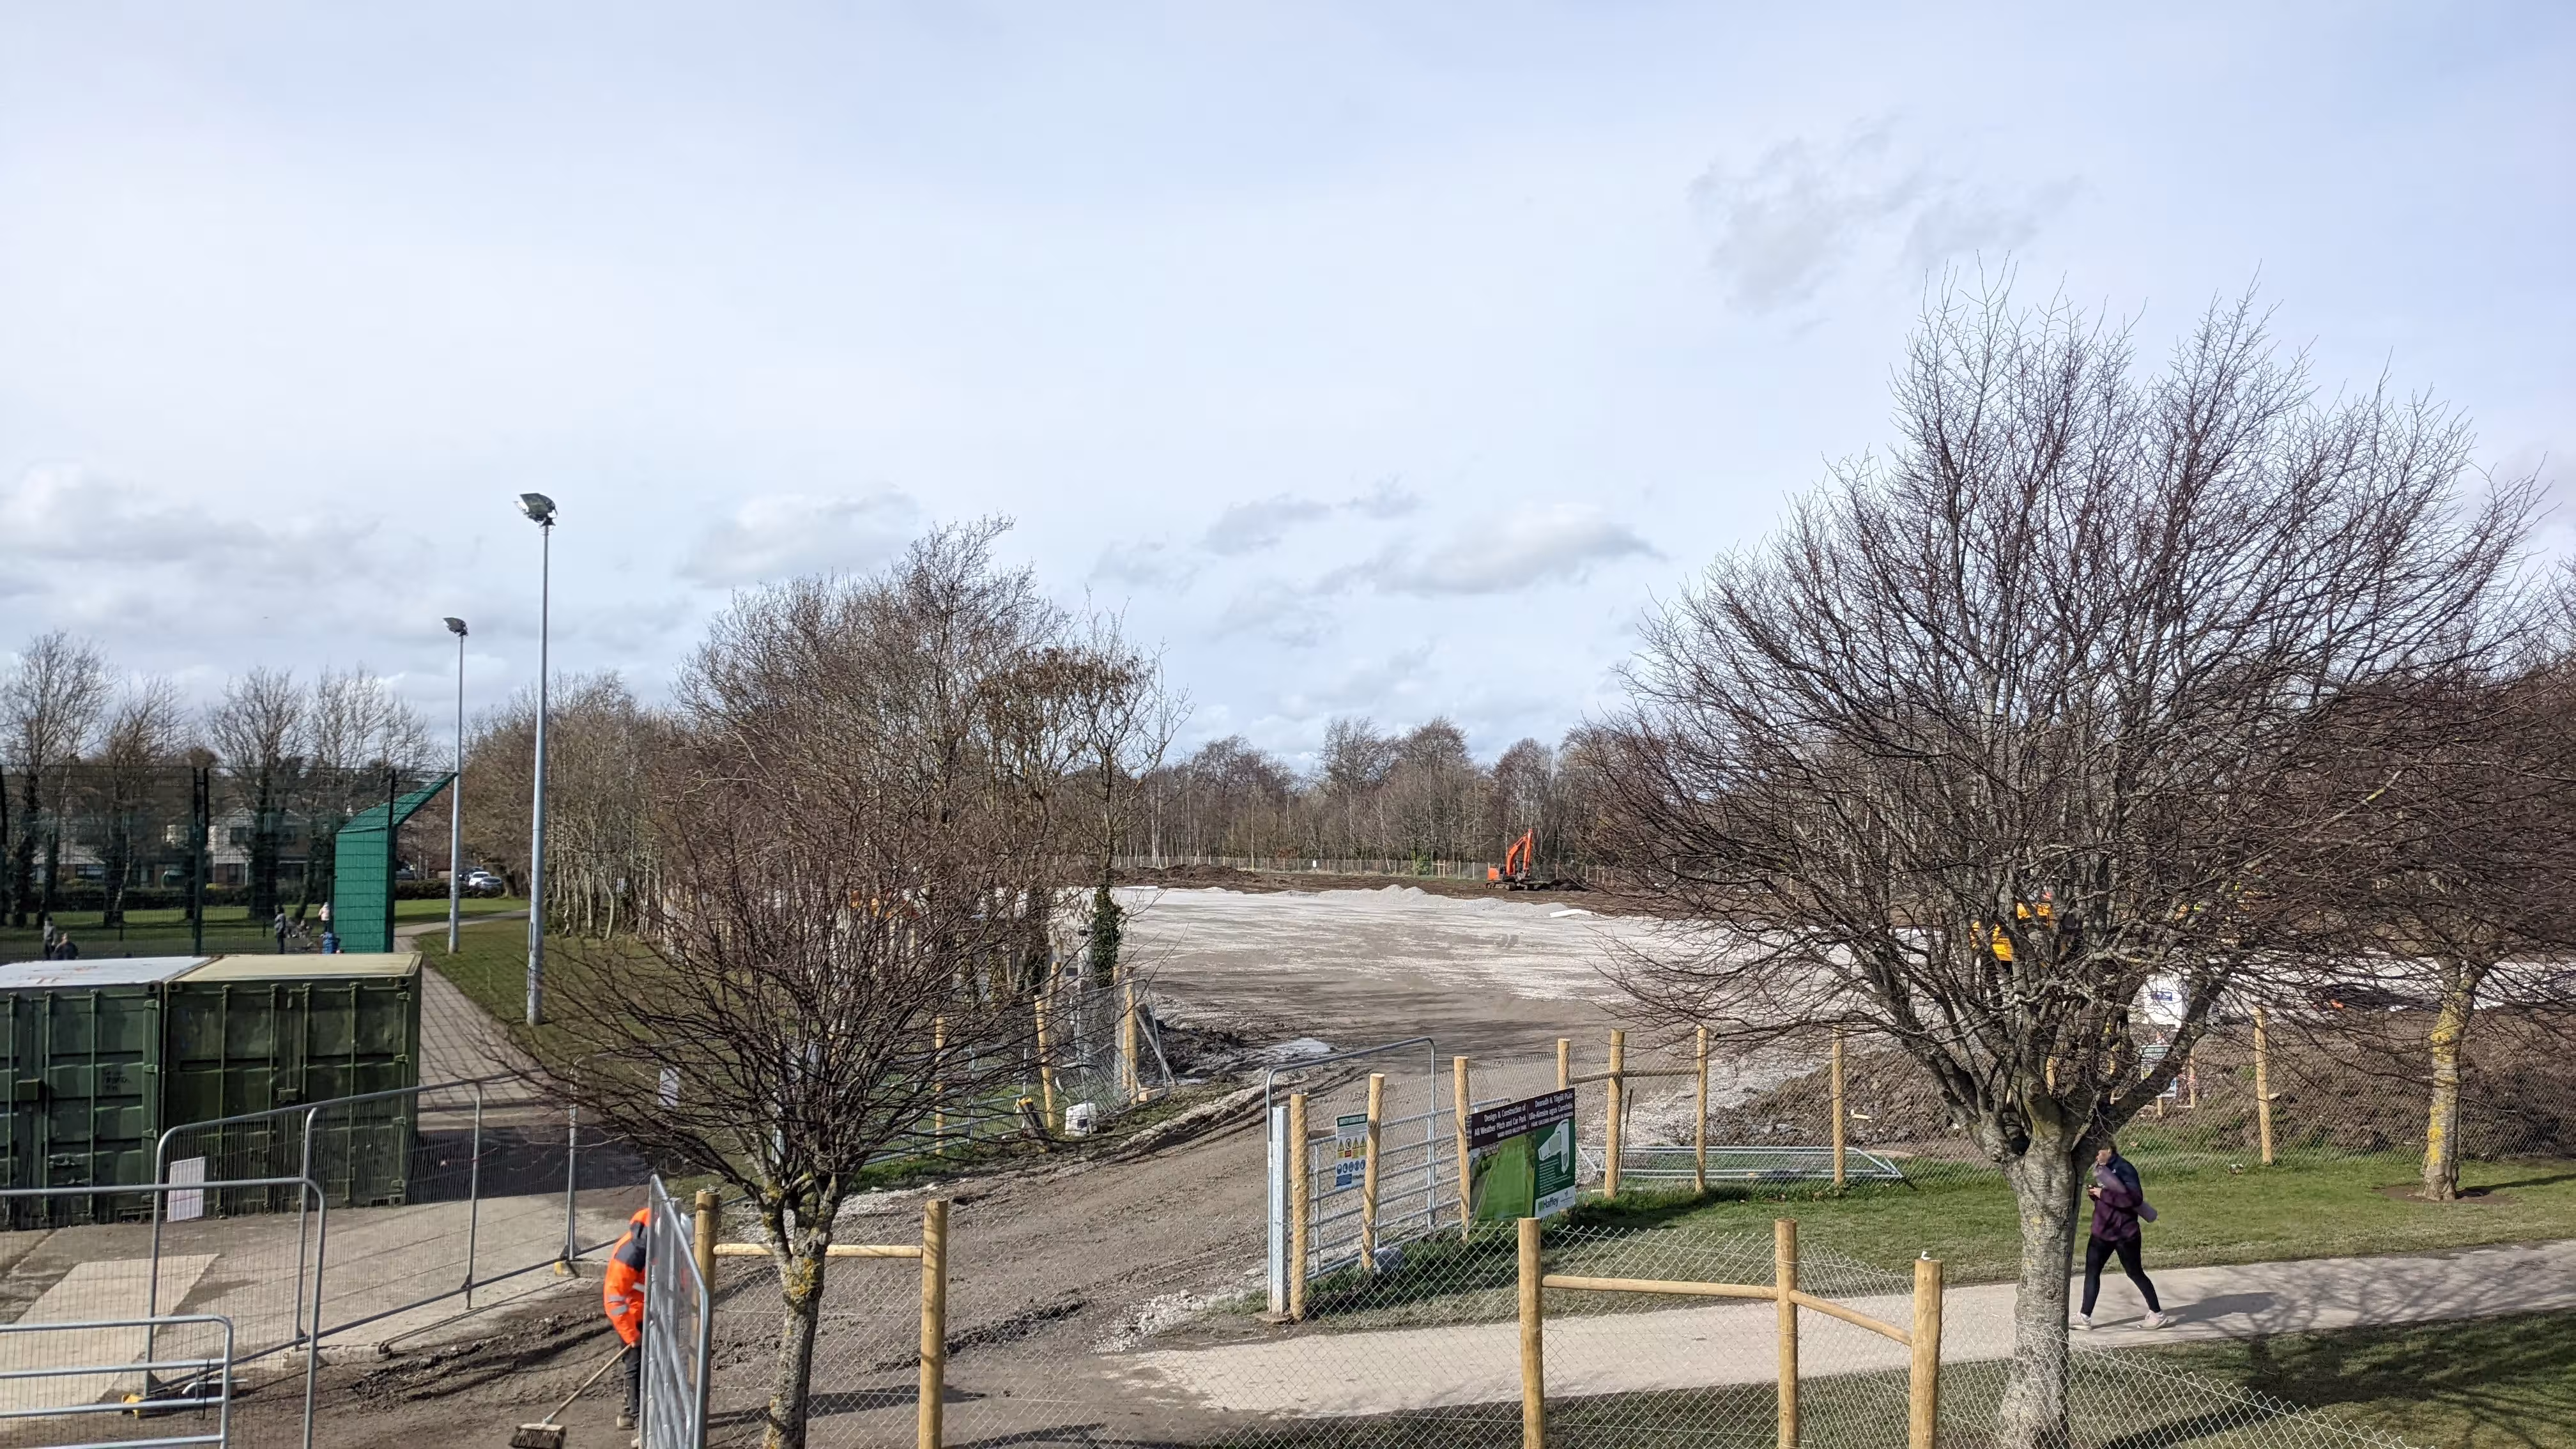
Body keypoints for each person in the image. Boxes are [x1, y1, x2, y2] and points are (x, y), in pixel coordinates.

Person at [2079, 1141, 2167, 1329]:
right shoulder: (2102, 1169)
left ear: (2109, 1150)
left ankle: (2157, 1314)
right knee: (2092, 1272)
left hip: (2124, 1233)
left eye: (2098, 1152)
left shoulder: (2125, 1169)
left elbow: (2134, 1199)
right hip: (2102, 1231)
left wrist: (2104, 1195)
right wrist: (2096, 1195)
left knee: (2135, 1273)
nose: (2095, 1157)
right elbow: (2109, 1196)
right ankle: (2084, 1316)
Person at [602, 1204, 651, 1434]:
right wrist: (632, 1335)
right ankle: (640, 1424)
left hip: (649, 1310)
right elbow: (614, 1300)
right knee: (636, 1365)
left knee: (645, 1366)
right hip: (631, 1316)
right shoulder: (629, 1256)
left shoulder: (661, 1238)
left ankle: (628, 1411)